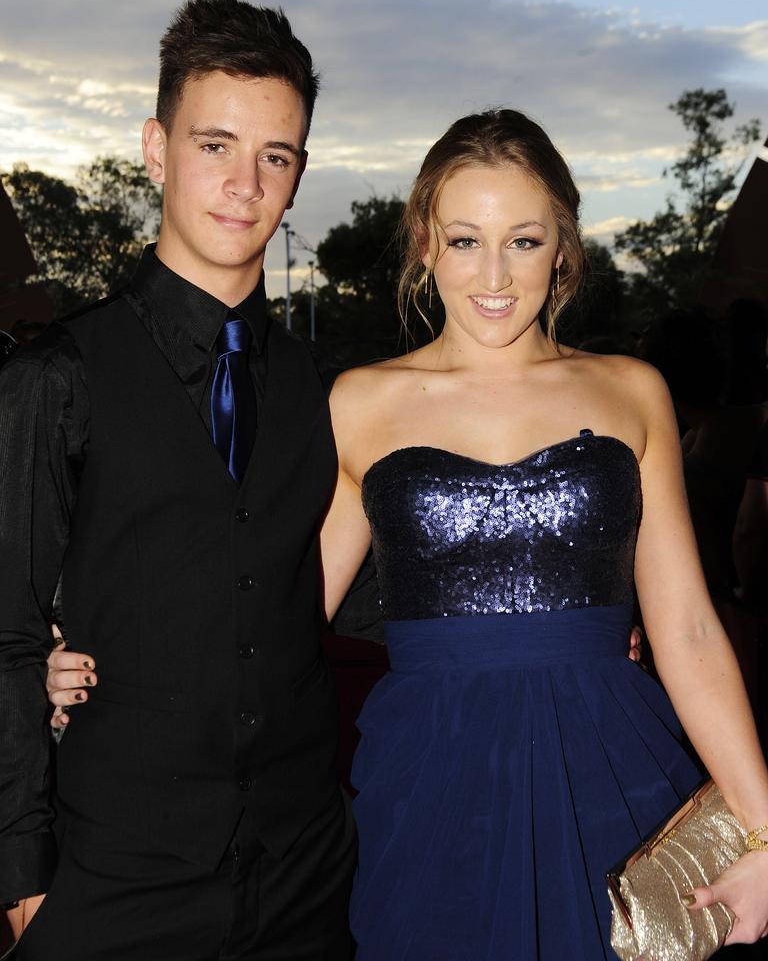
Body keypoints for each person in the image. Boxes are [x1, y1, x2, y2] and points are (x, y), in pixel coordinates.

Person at [47, 107, 768, 960]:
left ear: (564, 247)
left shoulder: (631, 390)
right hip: (432, 781)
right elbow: (265, 615)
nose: (493, 274)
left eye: (525, 241)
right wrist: (91, 665)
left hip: (614, 769)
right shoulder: (359, 403)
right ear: (425, 243)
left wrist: (763, 834)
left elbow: (686, 627)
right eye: (465, 240)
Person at [0, 0, 355, 960]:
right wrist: (19, 871)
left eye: (274, 156)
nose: (244, 184)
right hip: (116, 877)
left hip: (303, 876)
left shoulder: (326, 391)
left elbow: (345, 589)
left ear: (297, 176)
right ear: (157, 148)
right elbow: (8, 631)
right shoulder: (52, 379)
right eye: (214, 146)